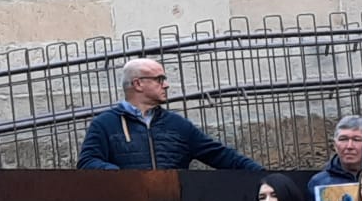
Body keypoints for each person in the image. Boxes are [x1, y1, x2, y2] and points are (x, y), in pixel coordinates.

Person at [78, 58, 263, 172]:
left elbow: (221, 155)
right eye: (159, 79)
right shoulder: (104, 124)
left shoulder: (177, 125)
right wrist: (119, 175)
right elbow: (87, 162)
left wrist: (266, 175)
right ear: (138, 84)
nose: (166, 85)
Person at [307, 116, 362, 201]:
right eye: (343, 139)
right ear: (335, 145)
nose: (349, 146)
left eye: (356, 140)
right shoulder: (319, 182)